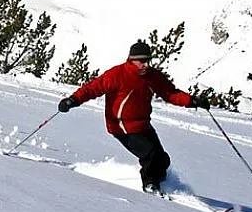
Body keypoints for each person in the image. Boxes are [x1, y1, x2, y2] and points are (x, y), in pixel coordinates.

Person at [57, 40, 210, 195]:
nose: (146, 65)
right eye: (142, 61)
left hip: (143, 124)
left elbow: (170, 93)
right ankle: (150, 188)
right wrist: (72, 100)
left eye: (148, 61)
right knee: (150, 155)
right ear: (131, 60)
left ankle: (164, 186)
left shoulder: (152, 77)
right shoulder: (117, 74)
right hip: (121, 126)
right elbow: (92, 89)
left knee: (162, 159)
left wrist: (192, 101)